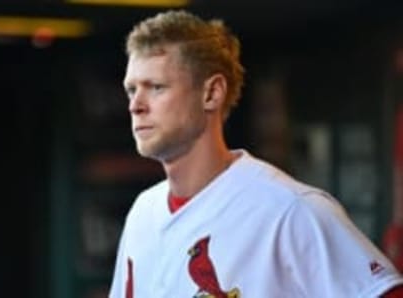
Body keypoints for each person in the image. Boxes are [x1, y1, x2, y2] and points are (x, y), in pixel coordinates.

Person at [109, 10, 403, 297]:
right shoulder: (142, 213)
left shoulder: (290, 210)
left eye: (156, 87)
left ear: (211, 93)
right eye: (131, 90)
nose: (136, 105)